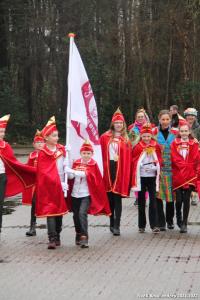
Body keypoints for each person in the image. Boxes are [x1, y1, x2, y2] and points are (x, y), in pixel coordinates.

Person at [66, 141, 111, 248]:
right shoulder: (76, 162)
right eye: (84, 153)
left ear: (92, 154)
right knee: (76, 215)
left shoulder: (93, 164)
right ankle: (78, 233)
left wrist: (73, 171)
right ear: (81, 153)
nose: (86, 155)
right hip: (75, 194)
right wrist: (68, 172)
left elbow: (88, 175)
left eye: (88, 153)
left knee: (82, 213)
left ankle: (84, 237)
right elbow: (71, 178)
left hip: (86, 194)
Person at [35, 116, 68, 249]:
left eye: (57, 135)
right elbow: (44, 172)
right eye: (54, 136)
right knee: (50, 210)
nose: (57, 138)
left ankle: (58, 234)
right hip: (49, 185)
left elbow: (66, 165)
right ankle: (52, 238)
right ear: (47, 138)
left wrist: (67, 161)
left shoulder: (62, 149)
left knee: (59, 211)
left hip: (61, 182)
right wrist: (57, 182)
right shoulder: (43, 153)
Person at [0, 114, 36, 233]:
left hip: (2, 178)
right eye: (0, 131)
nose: (1, 134)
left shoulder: (6, 147)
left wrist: (31, 171)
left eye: (3, 131)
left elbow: (15, 164)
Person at [100, 108, 132, 236]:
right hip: (108, 168)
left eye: (121, 123)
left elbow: (128, 158)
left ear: (123, 125)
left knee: (117, 198)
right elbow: (99, 153)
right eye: (116, 123)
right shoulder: (104, 137)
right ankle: (111, 222)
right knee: (110, 199)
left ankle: (117, 225)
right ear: (112, 124)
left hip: (120, 169)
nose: (118, 125)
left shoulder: (126, 139)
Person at [131, 124, 162, 233]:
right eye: (144, 136)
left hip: (152, 177)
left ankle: (154, 225)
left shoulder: (156, 146)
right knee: (141, 201)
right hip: (141, 178)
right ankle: (141, 225)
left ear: (151, 136)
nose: (146, 138)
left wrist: (154, 167)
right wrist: (140, 166)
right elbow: (134, 161)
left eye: (148, 136)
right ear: (141, 136)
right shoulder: (137, 147)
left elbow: (159, 160)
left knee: (153, 201)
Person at [171, 121, 199, 233]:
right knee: (178, 200)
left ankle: (184, 223)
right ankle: (178, 217)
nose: (183, 133)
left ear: (189, 132)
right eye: (181, 131)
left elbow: (195, 158)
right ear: (179, 132)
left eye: (186, 131)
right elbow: (174, 157)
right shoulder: (174, 143)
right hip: (178, 175)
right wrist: (183, 166)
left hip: (190, 176)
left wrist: (189, 169)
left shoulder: (194, 143)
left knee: (186, 200)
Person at [153, 110, 178, 231]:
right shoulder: (153, 132)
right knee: (158, 196)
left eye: (167, 119)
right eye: (163, 119)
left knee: (170, 197)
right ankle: (160, 222)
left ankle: (170, 220)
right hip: (158, 169)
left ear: (170, 120)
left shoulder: (176, 132)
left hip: (172, 169)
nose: (165, 121)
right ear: (159, 119)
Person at [22, 130, 44, 236]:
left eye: (42, 142)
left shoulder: (48, 154)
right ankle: (32, 227)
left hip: (46, 184)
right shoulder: (32, 155)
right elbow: (27, 168)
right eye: (38, 142)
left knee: (49, 204)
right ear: (33, 144)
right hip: (36, 184)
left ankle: (54, 227)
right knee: (34, 204)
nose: (40, 144)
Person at [128, 108, 150, 206]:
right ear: (136, 118)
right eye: (138, 117)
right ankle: (137, 197)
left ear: (145, 117)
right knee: (136, 176)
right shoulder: (131, 128)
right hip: (135, 154)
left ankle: (144, 198)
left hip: (147, 154)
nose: (140, 118)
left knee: (146, 176)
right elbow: (129, 141)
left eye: (142, 117)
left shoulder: (150, 126)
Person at [183, 108, 200, 206]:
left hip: (195, 154)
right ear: (186, 116)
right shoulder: (182, 127)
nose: (190, 117)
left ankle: (194, 195)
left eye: (192, 115)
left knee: (195, 175)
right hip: (183, 154)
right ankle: (186, 194)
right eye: (189, 115)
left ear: (195, 117)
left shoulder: (198, 127)